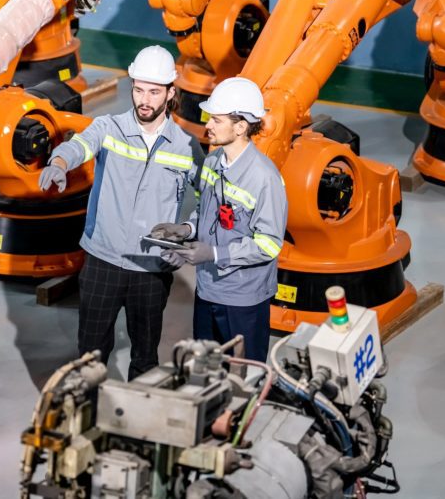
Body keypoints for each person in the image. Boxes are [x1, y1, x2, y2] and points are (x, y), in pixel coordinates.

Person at [39, 45, 203, 379]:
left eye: (154, 92)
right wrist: (58, 162)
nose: (144, 99)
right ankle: (89, 415)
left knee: (145, 356)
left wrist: (187, 232)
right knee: (90, 353)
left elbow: (211, 200)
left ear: (171, 93)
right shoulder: (109, 128)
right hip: (103, 260)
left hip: (151, 267)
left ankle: (135, 421)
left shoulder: (187, 147)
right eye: (139, 89)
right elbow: (78, 146)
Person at [151, 77, 287, 361]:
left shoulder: (264, 178)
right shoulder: (212, 162)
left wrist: (213, 253)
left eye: (216, 120)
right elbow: (206, 211)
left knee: (243, 375)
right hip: (208, 289)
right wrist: (185, 229)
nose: (207, 126)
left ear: (240, 127)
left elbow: (269, 244)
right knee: (207, 371)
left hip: (243, 299)